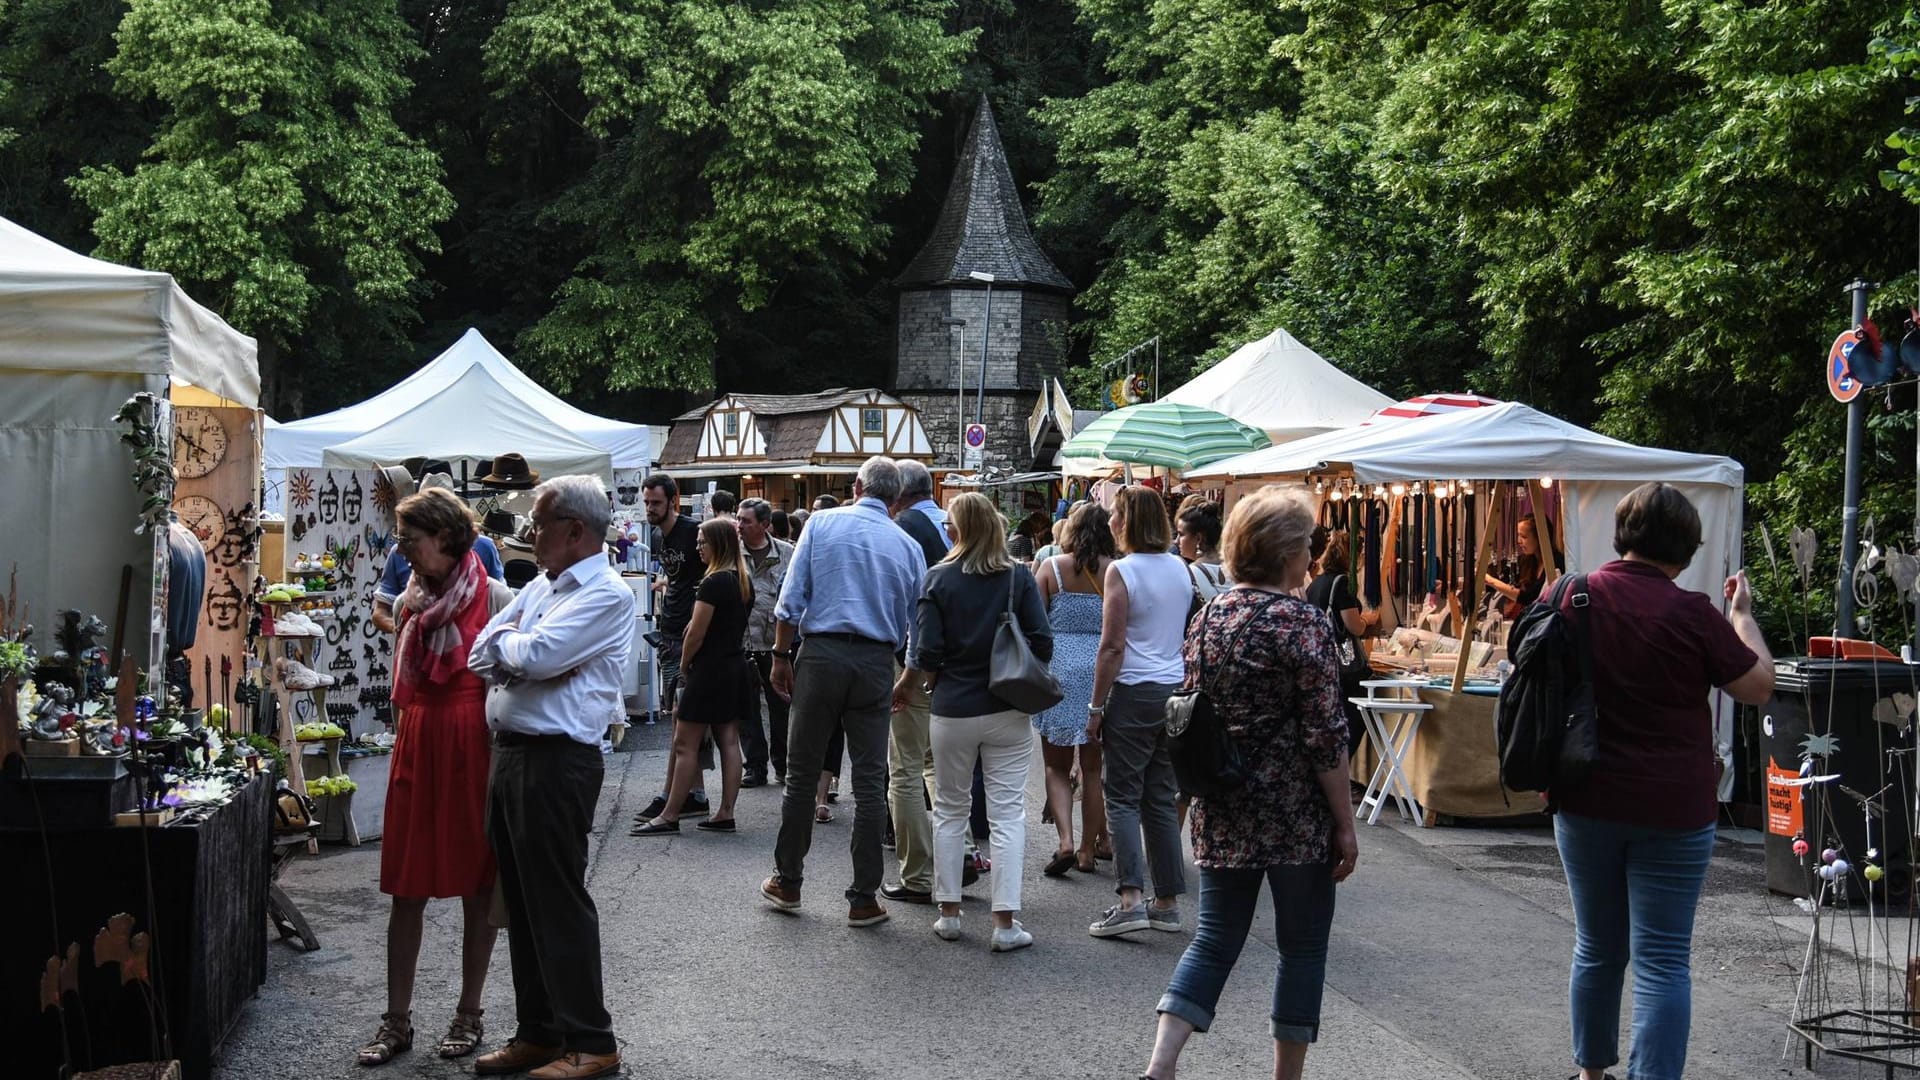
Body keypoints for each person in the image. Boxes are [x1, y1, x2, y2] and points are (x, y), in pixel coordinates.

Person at [1549, 482, 1773, 1080]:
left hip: (1585, 794)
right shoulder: (1692, 614)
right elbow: (1758, 686)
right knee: (1663, 960)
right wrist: (1743, 616)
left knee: (1596, 948)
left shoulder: (1570, 598)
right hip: (1674, 807)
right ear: (1686, 548)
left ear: (1623, 535)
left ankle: (1591, 1074)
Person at [1140, 486, 1359, 1080]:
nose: (1312, 554)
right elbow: (1325, 735)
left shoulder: (1209, 616)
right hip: (1295, 812)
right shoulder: (1303, 623)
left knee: (1213, 941)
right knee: (1303, 947)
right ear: (1288, 552)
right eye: (1308, 544)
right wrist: (1345, 823)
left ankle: (1161, 1065)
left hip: (1224, 800)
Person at [466, 475, 634, 1080]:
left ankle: (592, 1041)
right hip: (514, 754)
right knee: (520, 900)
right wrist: (522, 652)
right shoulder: (543, 584)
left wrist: (520, 654)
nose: (531, 535)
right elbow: (481, 649)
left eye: (538, 524)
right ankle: (539, 1031)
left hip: (557, 760)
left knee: (557, 902)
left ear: (573, 530)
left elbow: (529, 656)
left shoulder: (606, 593)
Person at [357, 489, 513, 1067]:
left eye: (409, 538)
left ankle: (469, 1013)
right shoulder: (407, 602)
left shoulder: (496, 598)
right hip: (419, 744)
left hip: (474, 746)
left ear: (445, 539)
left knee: (477, 886)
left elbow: (510, 684)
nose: (401, 549)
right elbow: (406, 688)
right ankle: (396, 1020)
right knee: (406, 887)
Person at [762, 457, 926, 927]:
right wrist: (908, 678)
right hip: (876, 661)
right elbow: (920, 626)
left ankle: (788, 880)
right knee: (872, 780)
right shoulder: (908, 545)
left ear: (857, 486)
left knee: (801, 772)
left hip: (822, 654)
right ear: (895, 499)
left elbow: (790, 599)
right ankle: (863, 897)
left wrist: (779, 655)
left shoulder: (821, 523)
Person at [892, 493, 1051, 949]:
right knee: (1006, 815)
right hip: (1007, 707)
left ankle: (950, 914)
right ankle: (1005, 923)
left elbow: (925, 653)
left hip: (952, 709)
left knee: (948, 808)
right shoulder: (1017, 577)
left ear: (955, 530)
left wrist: (925, 684)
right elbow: (1041, 643)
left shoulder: (936, 579)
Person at [1086, 486, 1192, 938]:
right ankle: (1165, 900)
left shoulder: (1122, 571)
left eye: (1115, 515)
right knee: (1161, 796)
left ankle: (1130, 897)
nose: (1110, 521)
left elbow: (1111, 646)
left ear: (1127, 522)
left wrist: (1094, 707)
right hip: (1173, 688)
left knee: (1123, 795)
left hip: (1133, 688)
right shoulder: (1181, 570)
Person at [634, 517, 754, 836]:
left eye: (703, 542)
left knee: (685, 742)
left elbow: (695, 634)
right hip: (733, 666)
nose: (698, 547)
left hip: (709, 669)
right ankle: (725, 812)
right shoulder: (742, 580)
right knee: (728, 739)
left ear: (718, 544)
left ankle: (670, 814)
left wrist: (685, 665)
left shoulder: (713, 582)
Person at [1032, 502, 1115, 875]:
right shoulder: (1116, 570)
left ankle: (1064, 840)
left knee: (1055, 765)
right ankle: (1086, 850)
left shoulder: (1052, 568)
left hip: (1059, 670)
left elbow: (1034, 620)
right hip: (1100, 670)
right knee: (1094, 769)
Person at [881, 459, 948, 905]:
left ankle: (919, 874)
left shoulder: (902, 528)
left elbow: (909, 600)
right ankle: (958, 856)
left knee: (905, 766)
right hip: (964, 665)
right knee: (941, 766)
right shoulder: (956, 519)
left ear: (899, 494)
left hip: (917, 657)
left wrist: (906, 670)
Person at [639, 473, 711, 821]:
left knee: (684, 718)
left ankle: (674, 795)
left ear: (673, 502)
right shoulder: (658, 536)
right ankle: (693, 793)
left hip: (688, 637)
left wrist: (701, 626)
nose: (650, 509)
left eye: (656, 502)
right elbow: (680, 576)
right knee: (677, 716)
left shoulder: (693, 532)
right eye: (647, 502)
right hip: (668, 633)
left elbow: (715, 576)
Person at [736, 498, 793, 785]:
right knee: (746, 709)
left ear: (764, 524)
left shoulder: (787, 554)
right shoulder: (732, 552)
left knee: (781, 707)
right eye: (738, 519)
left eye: (746, 521)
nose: (739, 525)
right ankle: (755, 766)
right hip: (743, 641)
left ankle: (782, 764)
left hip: (775, 643)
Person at [1304, 530, 1377, 753]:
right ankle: (1342, 763)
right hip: (1343, 658)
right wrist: (1366, 620)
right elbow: (1353, 626)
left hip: (1320, 656)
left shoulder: (1316, 583)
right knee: (1355, 714)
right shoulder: (1342, 583)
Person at [1486, 515, 1561, 619]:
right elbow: (1498, 571)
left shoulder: (1556, 562)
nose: (1518, 541)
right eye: (1518, 536)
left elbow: (1530, 597)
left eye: (1524, 537)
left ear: (1539, 537)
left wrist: (1491, 581)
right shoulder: (1528, 560)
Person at [1177, 500, 1229, 601]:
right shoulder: (1236, 570)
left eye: (1181, 534)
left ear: (1198, 538)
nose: (1176, 541)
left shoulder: (1187, 575)